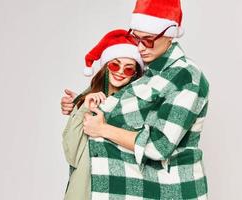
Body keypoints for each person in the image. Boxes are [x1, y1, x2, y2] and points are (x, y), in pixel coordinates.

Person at [61, 0, 209, 199]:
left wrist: (102, 129)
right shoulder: (146, 73)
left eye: (147, 40)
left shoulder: (186, 77)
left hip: (167, 192)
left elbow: (159, 146)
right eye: (136, 38)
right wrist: (80, 101)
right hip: (120, 189)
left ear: (169, 34)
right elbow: (116, 100)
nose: (140, 47)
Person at [62, 29, 144, 200]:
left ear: (135, 75)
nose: (121, 71)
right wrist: (82, 106)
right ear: (106, 65)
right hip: (84, 190)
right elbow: (71, 154)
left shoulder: (136, 105)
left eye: (129, 69)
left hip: (121, 190)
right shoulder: (87, 100)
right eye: (115, 65)